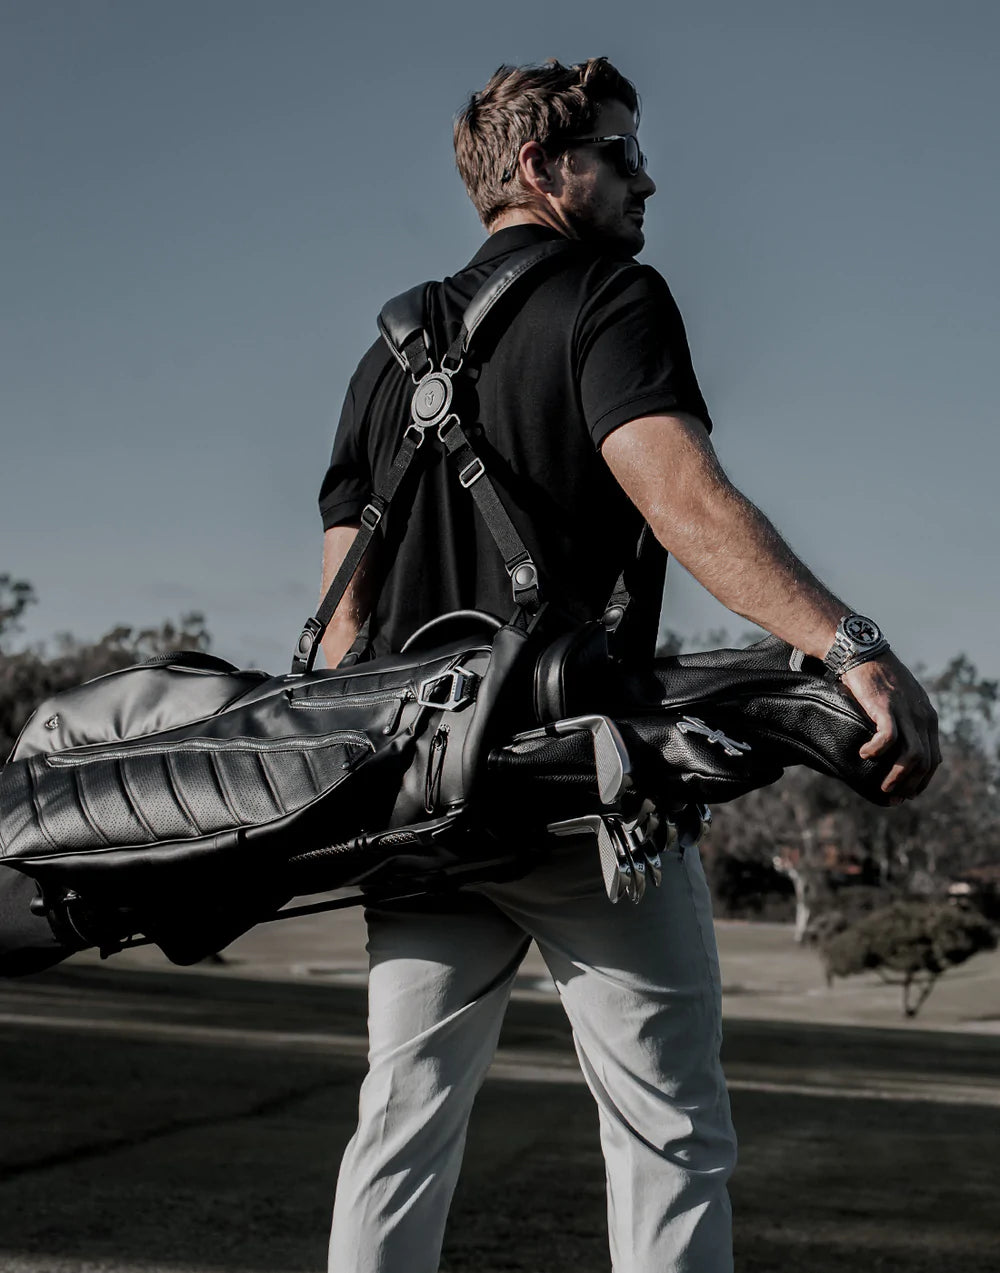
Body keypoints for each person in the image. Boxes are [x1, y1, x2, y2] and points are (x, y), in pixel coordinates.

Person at [316, 57, 939, 1273]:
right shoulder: (612, 295)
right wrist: (851, 645)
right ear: (549, 171)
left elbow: (345, 627)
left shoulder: (386, 353)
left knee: (396, 1128)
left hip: (423, 803)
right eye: (623, 151)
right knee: (666, 1136)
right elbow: (685, 502)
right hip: (581, 796)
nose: (647, 178)